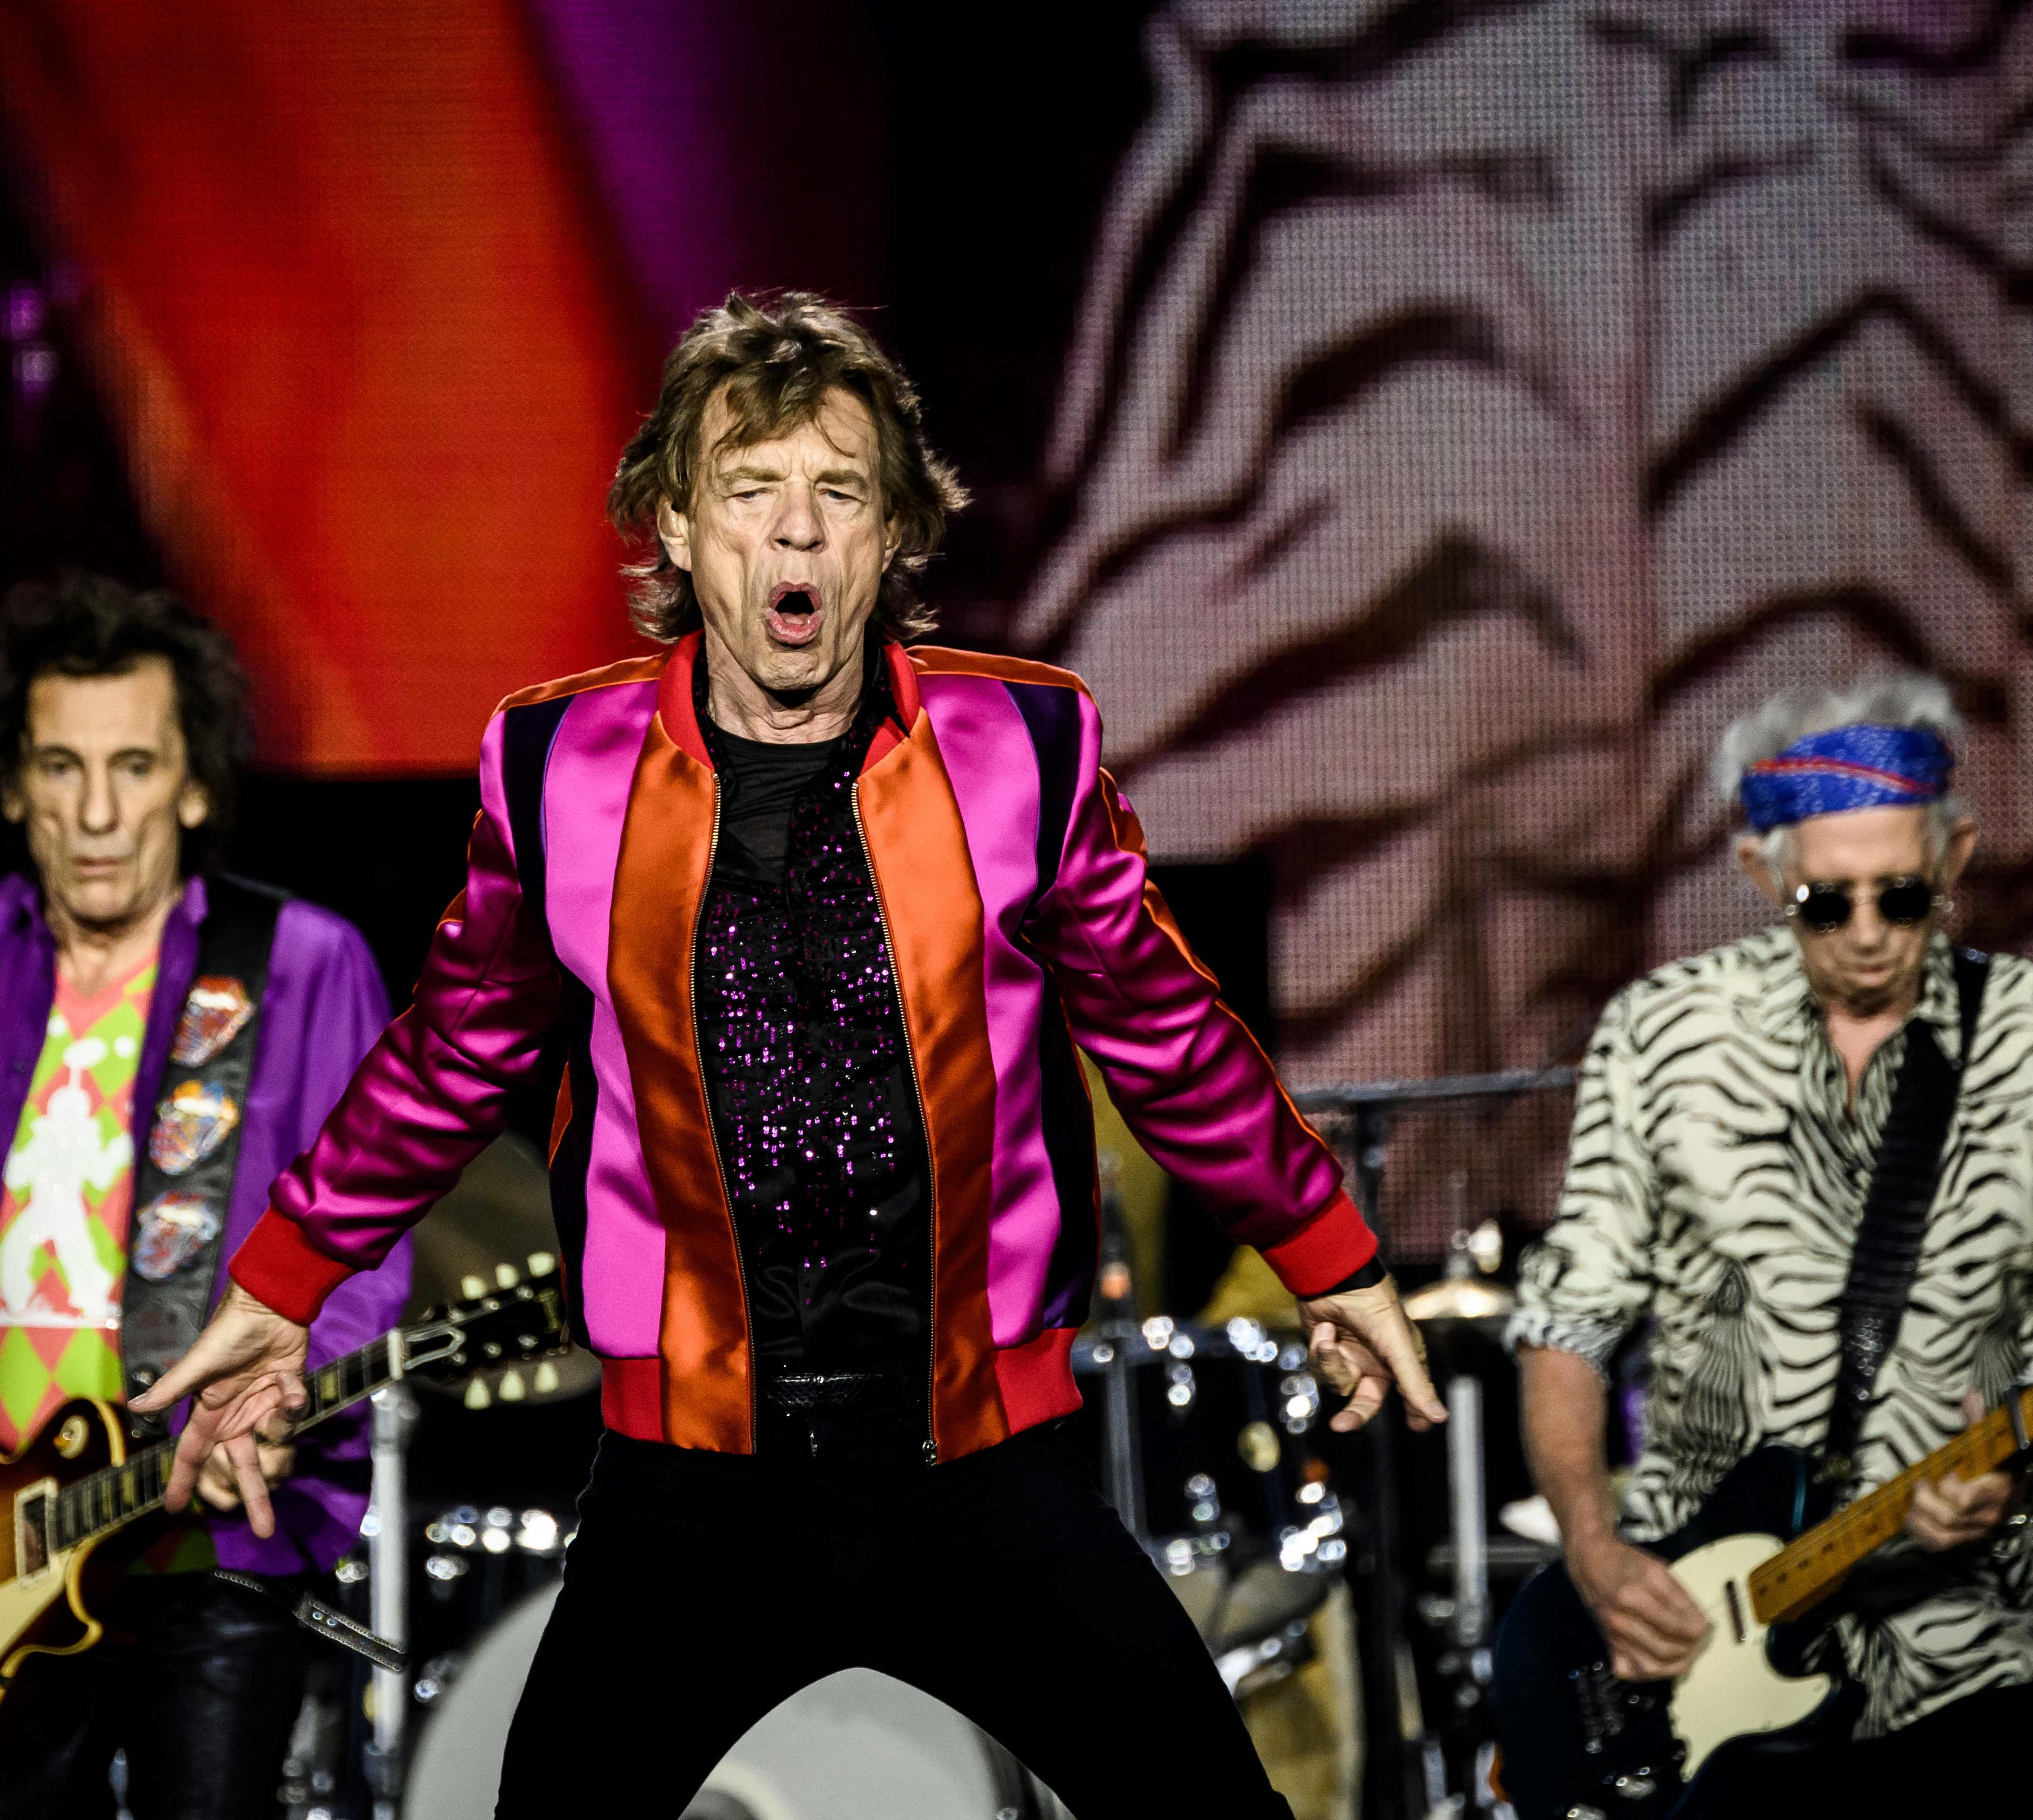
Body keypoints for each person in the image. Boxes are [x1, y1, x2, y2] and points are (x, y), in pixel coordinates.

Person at [133, 291, 1446, 1819]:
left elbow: (1164, 1029)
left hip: (979, 1464)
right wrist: (283, 1281)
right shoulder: (560, 767)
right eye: (751, 494)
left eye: (838, 496)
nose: (796, 539)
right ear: (679, 530)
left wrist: (1336, 1260)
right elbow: (455, 1050)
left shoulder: (1027, 748)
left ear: (896, 538)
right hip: (693, 1488)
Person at [0, 574, 407, 1819]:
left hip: (214, 1548)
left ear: (193, 787)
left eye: (133, 767)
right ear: (13, 784)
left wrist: (282, 1391)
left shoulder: (304, 967)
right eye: (59, 768)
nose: (94, 813)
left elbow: (362, 1255)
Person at [1505, 674, 2033, 1812]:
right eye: (1822, 901)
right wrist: (1596, 1555)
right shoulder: (1659, 1034)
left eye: (1901, 897)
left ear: (1955, 859)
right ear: (1760, 872)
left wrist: (2018, 1458)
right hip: (1690, 1641)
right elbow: (1567, 1326)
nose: (1864, 936)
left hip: (1965, 1655)